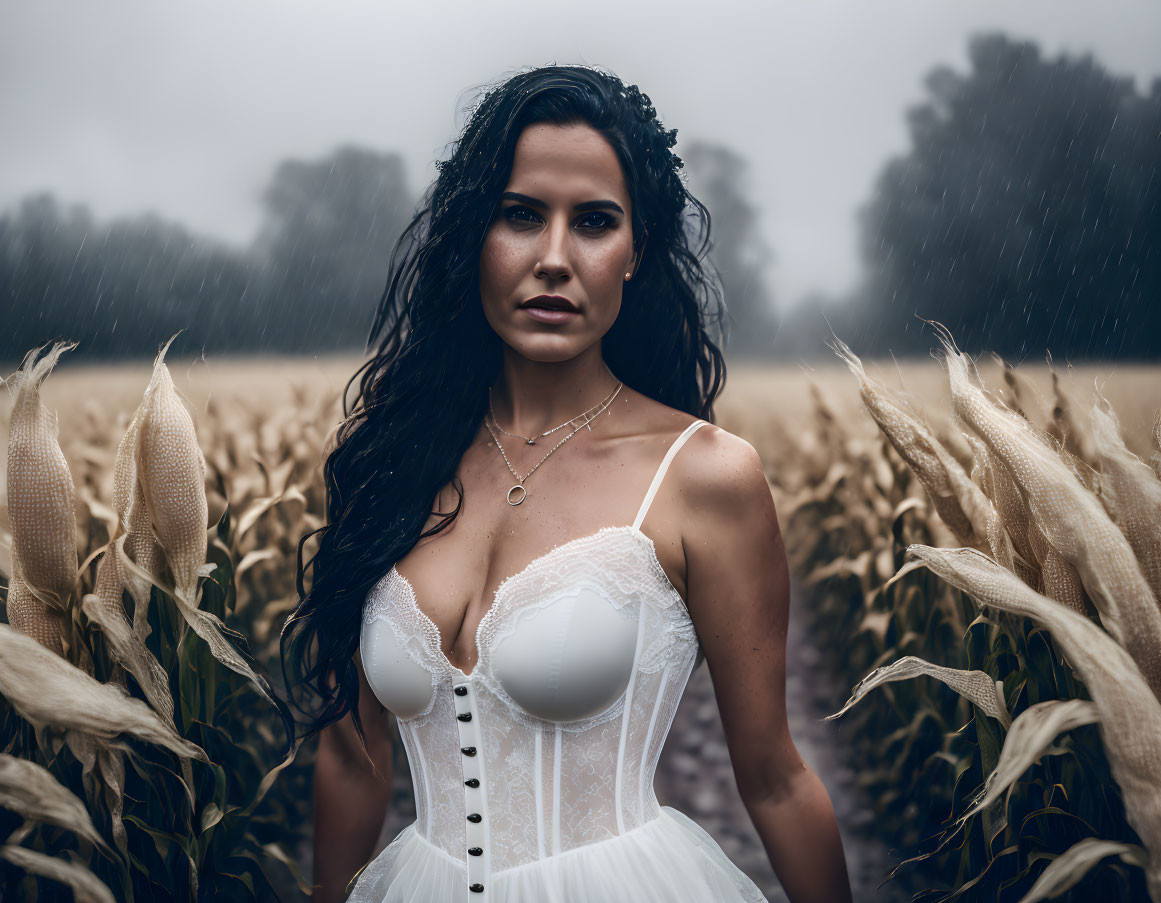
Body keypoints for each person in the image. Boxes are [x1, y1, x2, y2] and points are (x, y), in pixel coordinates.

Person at [282, 64, 852, 903]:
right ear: (473, 236)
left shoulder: (702, 476)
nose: (553, 258)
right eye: (518, 216)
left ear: (635, 252)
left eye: (592, 222)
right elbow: (350, 756)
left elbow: (771, 777)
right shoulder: (394, 463)